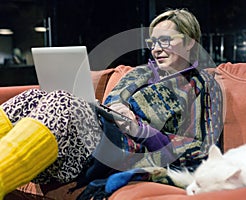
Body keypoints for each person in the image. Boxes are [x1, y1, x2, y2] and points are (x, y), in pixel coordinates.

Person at [0, 8, 223, 198]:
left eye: (165, 41)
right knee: (32, 97)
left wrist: (143, 131)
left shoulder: (202, 85)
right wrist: (114, 109)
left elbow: (201, 148)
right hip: (93, 137)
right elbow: (111, 103)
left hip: (122, 152)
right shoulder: (139, 73)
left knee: (62, 101)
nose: (156, 48)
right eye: (153, 42)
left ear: (190, 43)